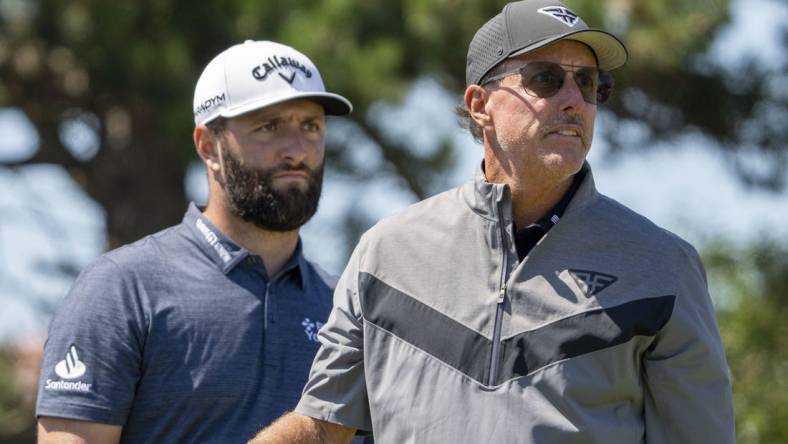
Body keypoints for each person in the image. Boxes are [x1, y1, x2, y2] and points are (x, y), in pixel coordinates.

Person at [250, 1, 735, 443]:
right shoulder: (385, 253)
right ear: (480, 104)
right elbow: (323, 426)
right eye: (547, 79)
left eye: (589, 83)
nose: (574, 100)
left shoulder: (663, 267)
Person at [35, 40, 352, 443]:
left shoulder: (344, 304)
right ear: (208, 146)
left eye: (311, 126)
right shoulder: (120, 289)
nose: (296, 150)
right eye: (268, 126)